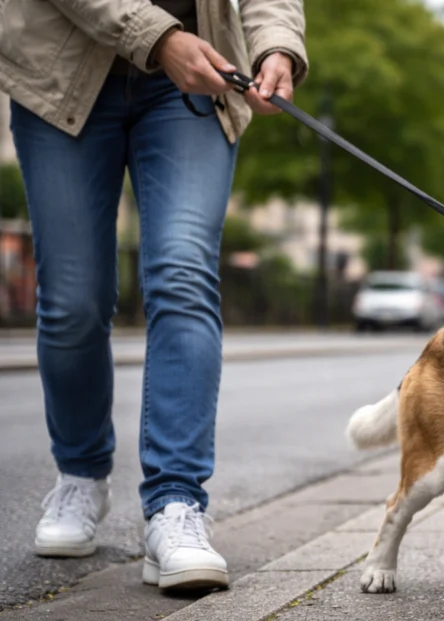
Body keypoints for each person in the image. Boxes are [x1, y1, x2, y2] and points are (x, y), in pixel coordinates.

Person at [0, 0, 307, 590]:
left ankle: (177, 503)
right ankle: (80, 476)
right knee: (73, 301)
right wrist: (157, 36)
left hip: (190, 84)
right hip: (59, 70)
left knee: (184, 275)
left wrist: (276, 47)